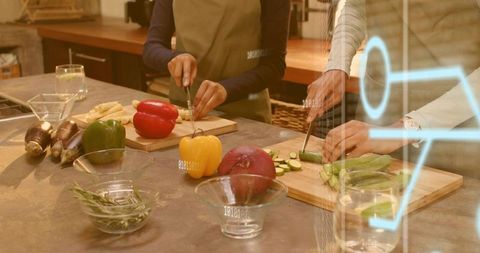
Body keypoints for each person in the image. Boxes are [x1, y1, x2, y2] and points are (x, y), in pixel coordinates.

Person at [306, 0, 480, 177]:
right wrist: (337, 65)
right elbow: (357, 6)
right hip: (376, 118)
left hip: (453, 130)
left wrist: (404, 129)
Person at [143, 0, 290, 123]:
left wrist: (227, 89)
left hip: (243, 120)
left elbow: (274, 65)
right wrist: (174, 58)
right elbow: (152, 48)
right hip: (183, 115)